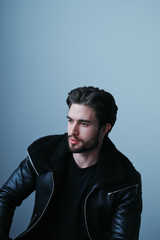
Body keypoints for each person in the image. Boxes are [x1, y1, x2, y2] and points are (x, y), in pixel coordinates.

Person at [0, 86, 142, 240]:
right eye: (70, 120)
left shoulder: (125, 179)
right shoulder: (44, 153)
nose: (72, 131)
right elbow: (6, 196)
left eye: (84, 124)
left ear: (104, 129)